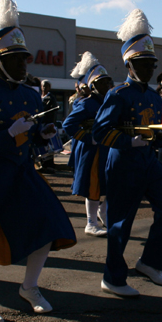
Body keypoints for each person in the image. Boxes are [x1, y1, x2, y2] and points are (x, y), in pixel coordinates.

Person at [0, 0, 76, 322]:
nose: (23, 65)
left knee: (50, 225)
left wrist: (43, 135)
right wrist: (8, 135)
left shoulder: (29, 94)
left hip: (22, 170)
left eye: (24, 58)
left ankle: (30, 287)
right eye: (15, 59)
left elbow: (35, 139)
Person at [92, 8, 162, 297]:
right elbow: (100, 133)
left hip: (149, 162)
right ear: (129, 64)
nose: (148, 68)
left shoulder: (154, 96)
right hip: (124, 163)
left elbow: (153, 129)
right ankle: (113, 278)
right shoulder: (117, 95)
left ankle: (150, 262)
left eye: (151, 63)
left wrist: (158, 140)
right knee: (121, 223)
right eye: (142, 63)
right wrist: (131, 141)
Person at [62, 52, 113, 237]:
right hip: (91, 150)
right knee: (93, 186)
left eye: (107, 82)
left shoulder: (109, 102)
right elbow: (68, 125)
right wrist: (88, 137)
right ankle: (91, 222)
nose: (106, 85)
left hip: (106, 148)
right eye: (101, 82)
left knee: (111, 184)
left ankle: (103, 212)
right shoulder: (87, 103)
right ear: (93, 85)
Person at [38, 80, 59, 171]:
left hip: (47, 124)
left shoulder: (51, 98)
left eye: (46, 86)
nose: (44, 88)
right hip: (40, 124)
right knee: (41, 145)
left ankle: (49, 165)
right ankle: (42, 163)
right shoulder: (39, 97)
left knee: (49, 145)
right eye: (43, 86)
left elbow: (53, 113)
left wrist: (51, 123)